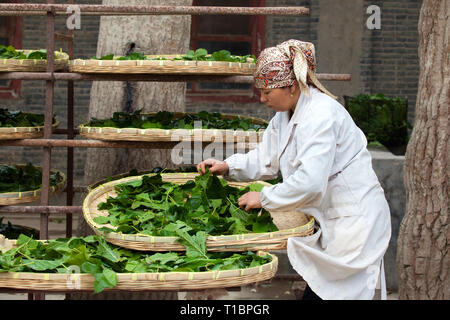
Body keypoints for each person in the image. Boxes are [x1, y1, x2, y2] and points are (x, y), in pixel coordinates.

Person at [197, 39, 391, 300]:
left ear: (291, 87)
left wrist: (264, 198)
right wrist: (227, 166)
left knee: (335, 294)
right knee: (322, 292)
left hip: (354, 222)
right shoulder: (284, 115)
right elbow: (266, 159)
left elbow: (310, 182)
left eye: (267, 92)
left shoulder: (322, 115)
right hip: (331, 219)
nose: (262, 99)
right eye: (260, 91)